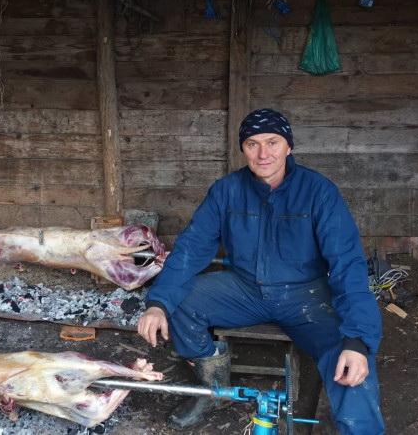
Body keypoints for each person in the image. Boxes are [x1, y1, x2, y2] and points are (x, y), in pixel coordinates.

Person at [137, 108, 384, 434]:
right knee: (179, 301)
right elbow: (191, 249)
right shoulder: (227, 191)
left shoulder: (319, 192)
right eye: (252, 144)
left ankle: (361, 429)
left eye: (272, 142)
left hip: (307, 295)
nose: (263, 153)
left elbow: (347, 263)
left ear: (288, 146)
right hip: (245, 289)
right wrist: (159, 303)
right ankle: (214, 387)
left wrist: (358, 340)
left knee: (349, 358)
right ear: (243, 149)